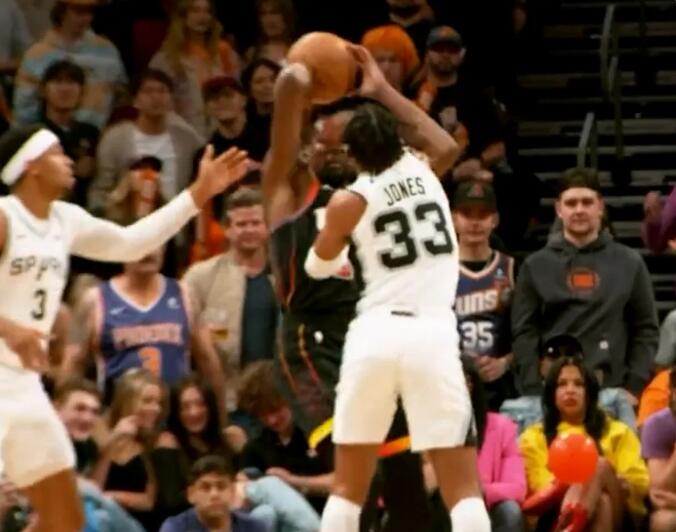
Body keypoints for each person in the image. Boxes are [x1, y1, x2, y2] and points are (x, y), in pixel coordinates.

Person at [0, 124, 246, 532]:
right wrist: (11, 329)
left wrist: (198, 193)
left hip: (22, 384)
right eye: (56, 153)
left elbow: (132, 242)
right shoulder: (5, 216)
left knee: (65, 519)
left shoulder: (64, 219)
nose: (68, 160)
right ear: (31, 166)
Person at [264, 44, 458, 531]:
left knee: (408, 490)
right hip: (310, 344)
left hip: (371, 341)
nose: (334, 152)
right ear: (308, 150)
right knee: (359, 476)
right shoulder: (290, 192)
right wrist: (298, 80)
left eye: (345, 145)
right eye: (324, 143)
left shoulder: (383, 194)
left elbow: (445, 148)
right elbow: (285, 115)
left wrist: (383, 90)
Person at [301, 44, 489, 531]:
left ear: (352, 153)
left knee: (348, 486)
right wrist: (384, 90)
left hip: (375, 335)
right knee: (462, 489)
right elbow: (444, 142)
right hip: (433, 335)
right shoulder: (424, 169)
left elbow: (317, 268)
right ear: (397, 141)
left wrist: (337, 251)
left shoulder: (348, 201)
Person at [512, 168, 659, 412]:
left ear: (600, 206)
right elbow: (524, 334)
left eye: (587, 202)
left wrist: (634, 386)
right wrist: (533, 391)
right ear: (559, 209)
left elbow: (646, 329)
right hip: (552, 395)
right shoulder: (535, 266)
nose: (579, 210)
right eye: (571, 203)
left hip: (613, 393)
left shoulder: (630, 262)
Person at [519, 356, 649, 531]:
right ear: (551, 393)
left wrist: (604, 479)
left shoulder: (618, 431)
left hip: (620, 516)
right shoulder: (534, 437)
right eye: (562, 384)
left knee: (599, 467)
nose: (570, 390)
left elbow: (638, 484)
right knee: (602, 502)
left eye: (579, 384)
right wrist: (589, 484)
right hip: (552, 516)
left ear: (590, 393)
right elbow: (541, 488)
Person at [452, 179, 516, 411]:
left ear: (494, 220)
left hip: (501, 387)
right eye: (467, 213)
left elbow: (528, 332)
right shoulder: (438, 270)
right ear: (453, 218)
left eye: (483, 214)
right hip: (452, 384)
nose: (475, 222)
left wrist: (505, 362)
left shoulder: (512, 267)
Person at [13, 0, 127, 129]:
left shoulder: (107, 51)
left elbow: (121, 97)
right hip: (48, 134)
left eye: (89, 12)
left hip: (96, 134)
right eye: (78, 12)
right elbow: (24, 107)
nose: (85, 18)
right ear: (62, 12)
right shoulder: (37, 54)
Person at [159, 455, 268, 532]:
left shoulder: (254, 527)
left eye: (221, 486)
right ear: (191, 494)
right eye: (205, 488)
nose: (214, 494)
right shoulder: (175, 528)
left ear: (233, 492)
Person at [640, 365, 676, 532]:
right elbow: (659, 492)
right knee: (664, 521)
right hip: (671, 508)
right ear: (672, 392)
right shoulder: (657, 425)